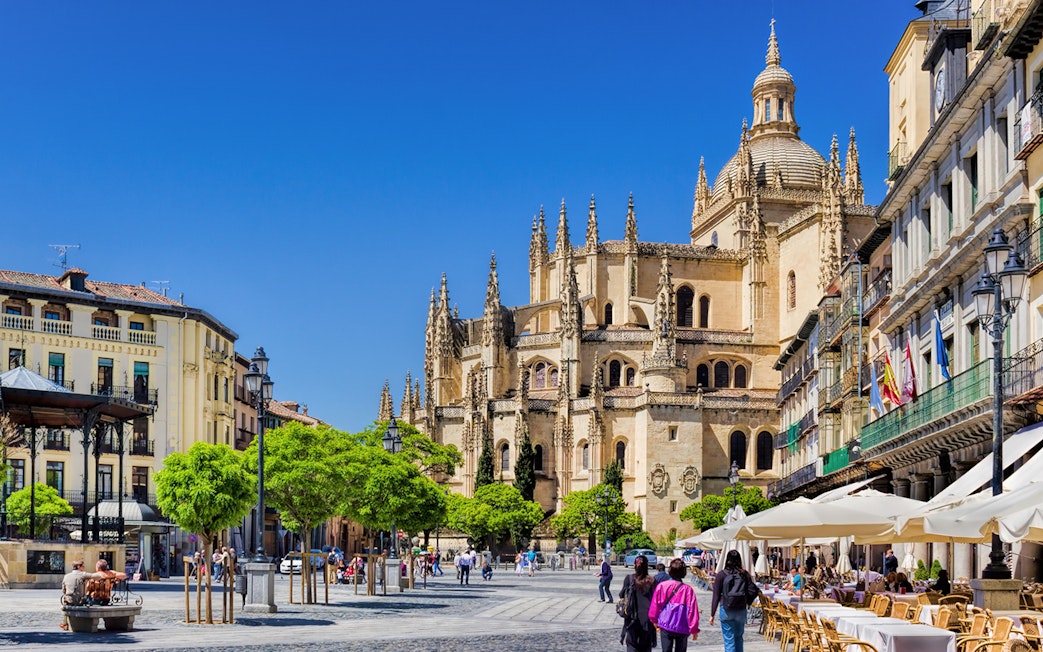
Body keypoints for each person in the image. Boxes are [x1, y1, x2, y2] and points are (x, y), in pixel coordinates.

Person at [648, 558, 700, 652]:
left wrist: (654, 620)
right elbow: (692, 611)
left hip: (666, 624)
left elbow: (655, 605)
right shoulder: (688, 590)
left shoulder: (662, 586)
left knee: (666, 650)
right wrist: (694, 629)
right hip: (682, 625)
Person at [710, 550, 756, 652]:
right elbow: (753, 590)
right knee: (739, 637)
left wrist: (712, 614)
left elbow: (716, 596)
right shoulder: (744, 574)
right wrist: (747, 601)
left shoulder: (721, 575)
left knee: (729, 639)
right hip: (740, 609)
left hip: (726, 609)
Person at [619, 555, 657, 652]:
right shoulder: (652, 581)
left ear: (635, 565)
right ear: (646, 566)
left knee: (631, 645)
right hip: (648, 619)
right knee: (646, 646)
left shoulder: (629, 579)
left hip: (632, 617)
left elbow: (622, 595)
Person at [60, 560, 104, 630]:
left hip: (67, 599)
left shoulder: (66, 576)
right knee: (95, 599)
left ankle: (65, 623)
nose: (84, 567)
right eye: (83, 566)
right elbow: (98, 576)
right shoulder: (82, 574)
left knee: (67, 603)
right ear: (78, 567)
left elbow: (63, 590)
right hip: (78, 600)